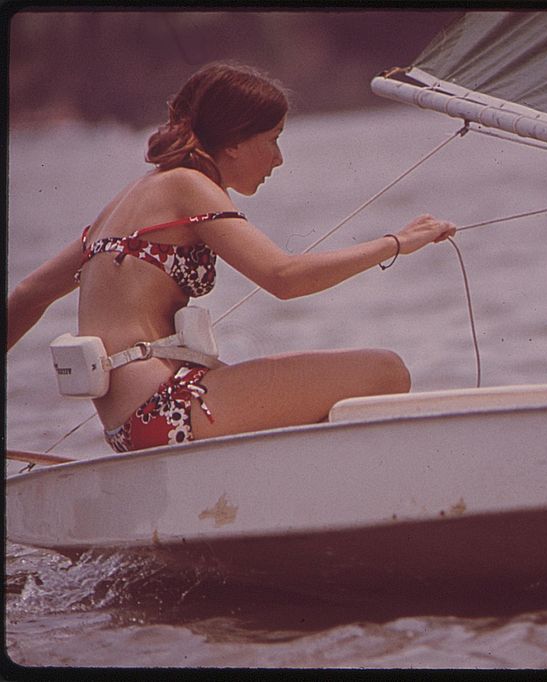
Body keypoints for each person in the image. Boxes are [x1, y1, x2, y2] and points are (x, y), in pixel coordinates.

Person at [6, 62, 456, 453]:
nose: (278, 159)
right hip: (169, 408)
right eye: (273, 139)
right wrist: (396, 242)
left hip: (130, 424)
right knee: (385, 370)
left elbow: (27, 295)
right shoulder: (188, 184)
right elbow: (284, 278)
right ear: (236, 140)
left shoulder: (131, 198)